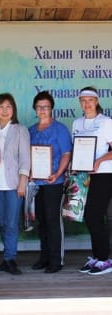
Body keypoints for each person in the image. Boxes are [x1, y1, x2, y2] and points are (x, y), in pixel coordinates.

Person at [29, 90, 72, 273]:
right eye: (39, 107)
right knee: (42, 221)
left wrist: (58, 173)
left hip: (54, 182)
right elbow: (26, 156)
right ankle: (44, 257)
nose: (43, 110)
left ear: (51, 108)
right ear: (35, 109)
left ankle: (56, 260)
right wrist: (30, 172)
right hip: (36, 184)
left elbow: (66, 154)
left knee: (53, 221)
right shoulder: (30, 130)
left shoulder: (60, 129)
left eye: (46, 107)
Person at [72, 86, 112, 275]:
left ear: (96, 102)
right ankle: (97, 257)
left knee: (95, 215)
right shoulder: (77, 123)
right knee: (88, 216)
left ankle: (105, 260)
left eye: (90, 100)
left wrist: (99, 161)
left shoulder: (106, 123)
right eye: (83, 100)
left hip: (103, 175)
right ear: (80, 102)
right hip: (83, 177)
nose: (87, 104)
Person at [0, 93, 30, 275]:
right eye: (1, 107)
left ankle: (10, 259)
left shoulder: (20, 130)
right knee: (3, 224)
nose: (4, 110)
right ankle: (6, 258)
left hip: (14, 184)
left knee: (12, 223)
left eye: (8, 106)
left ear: (13, 109)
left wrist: (23, 181)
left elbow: (25, 158)